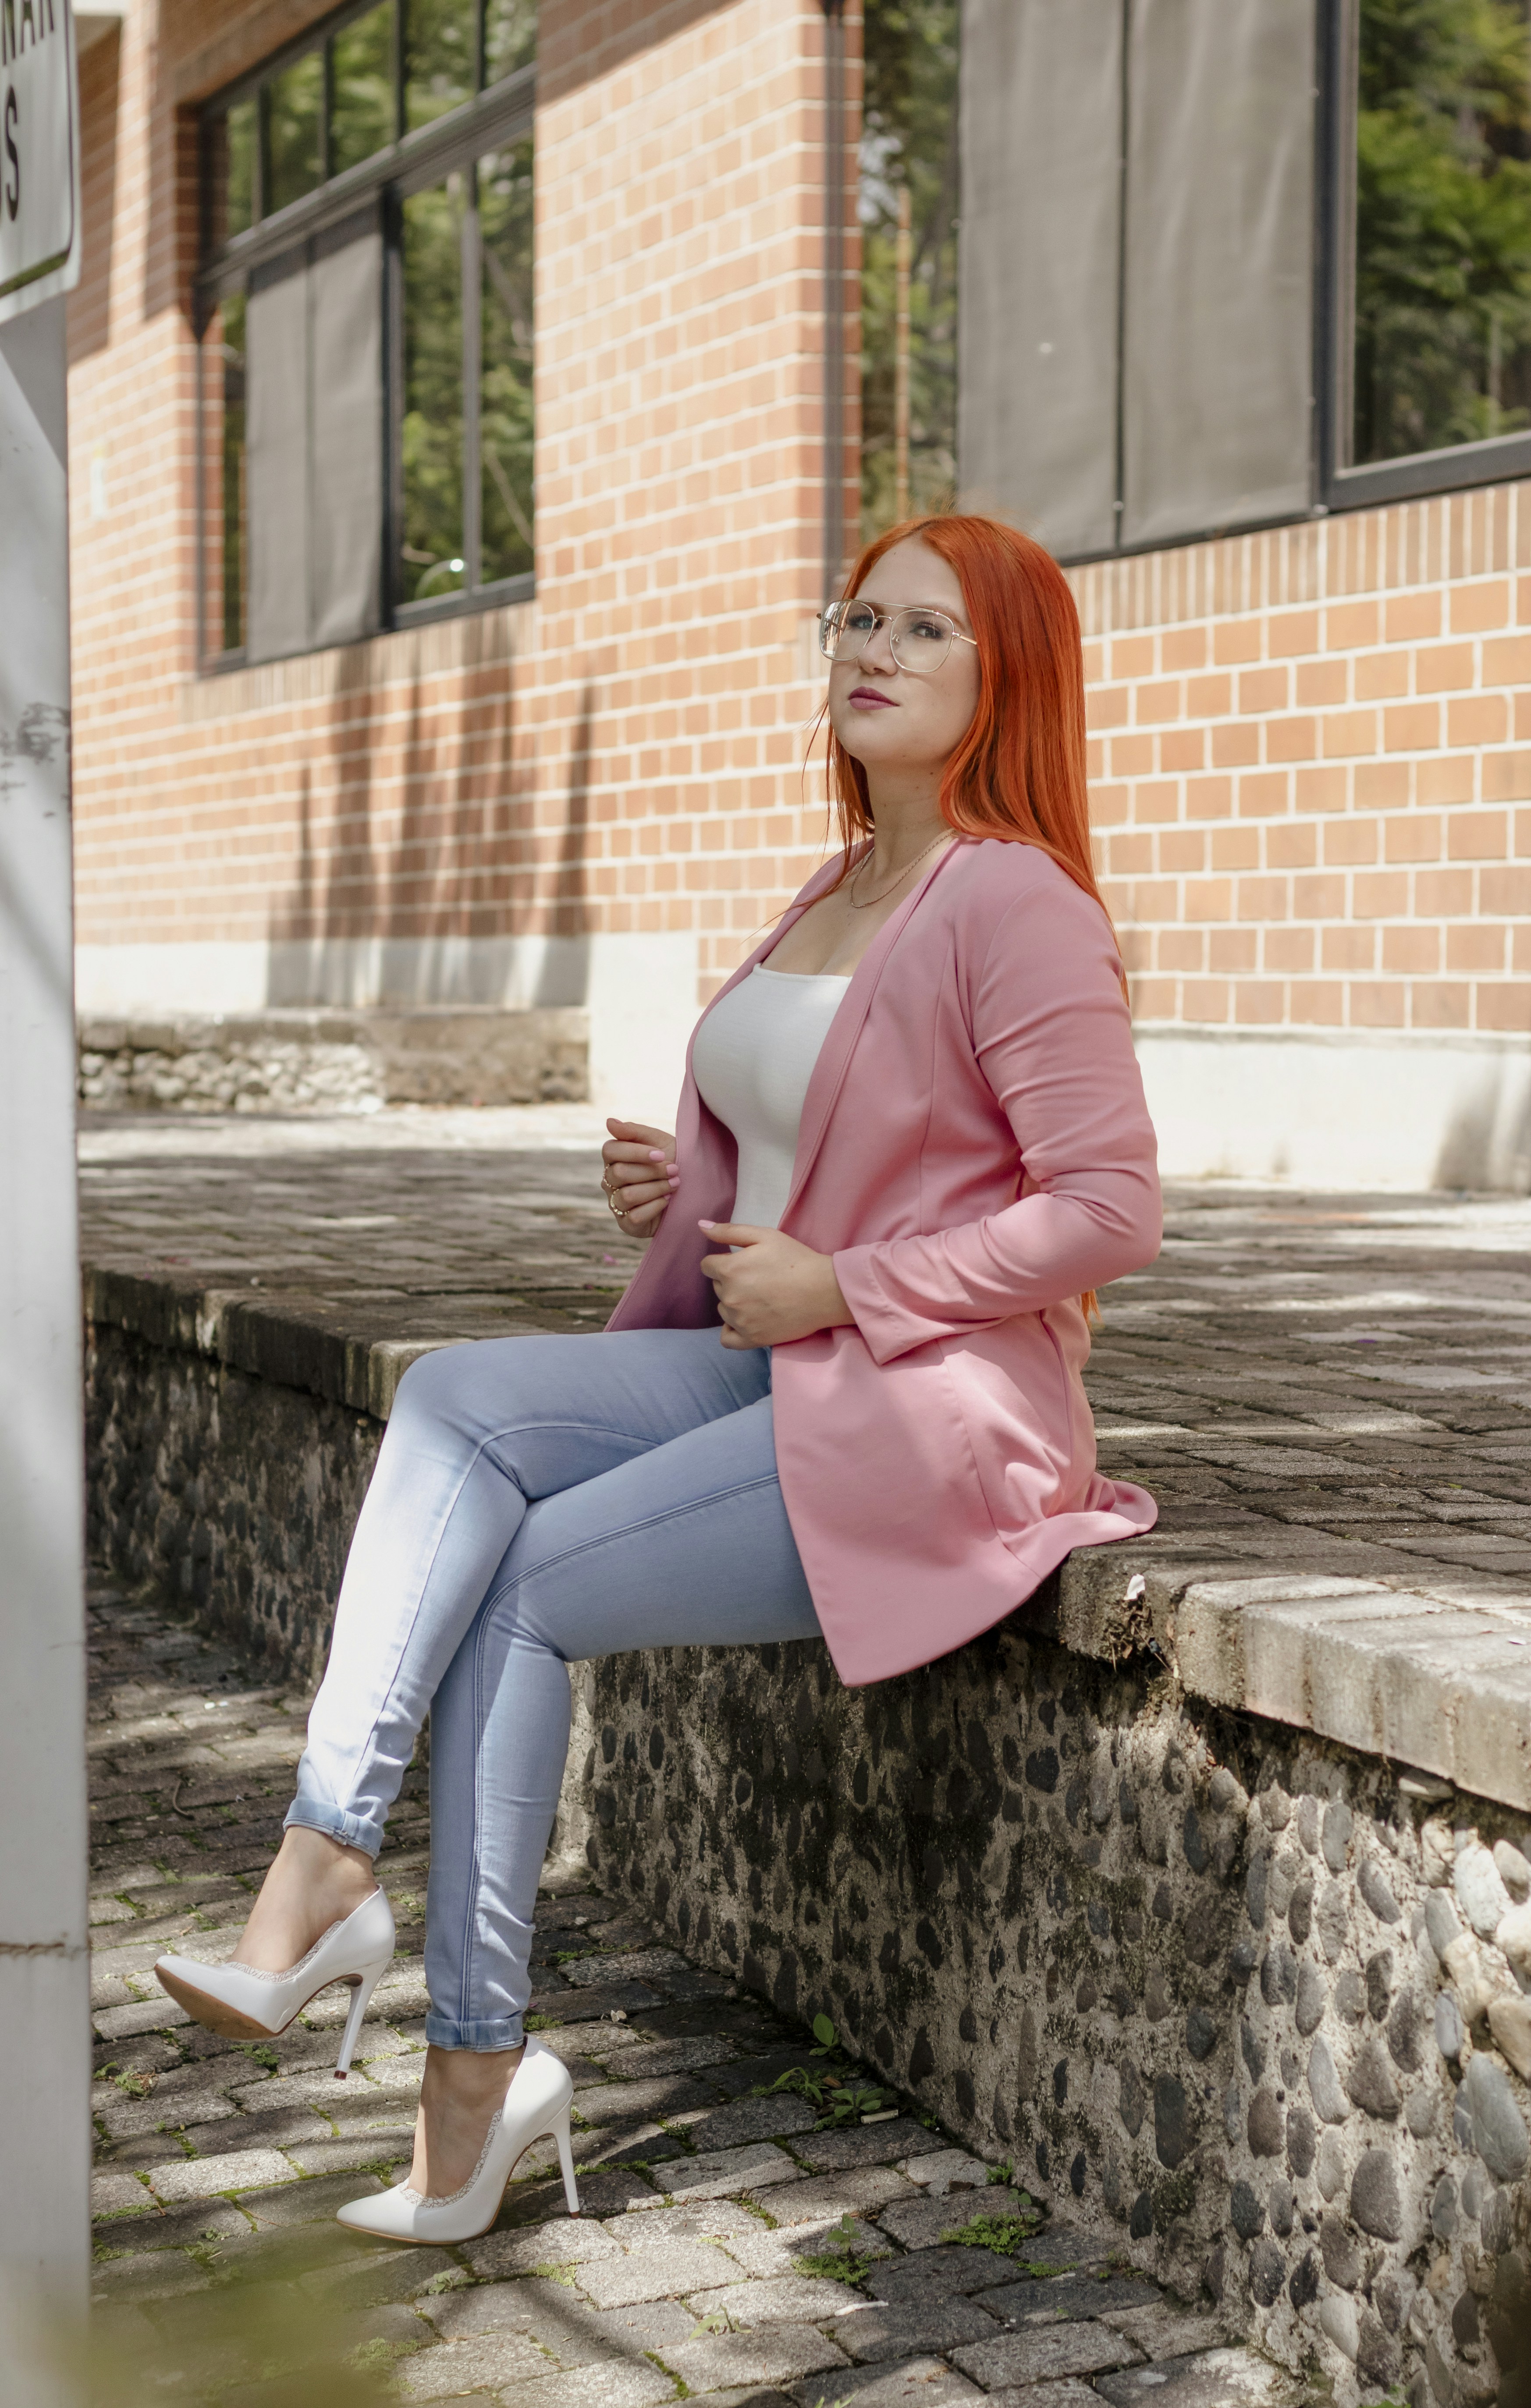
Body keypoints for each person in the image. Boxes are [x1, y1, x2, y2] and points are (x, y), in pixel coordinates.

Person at [155, 513, 1162, 2244]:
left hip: (927, 1416)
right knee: (454, 1397)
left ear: (1010, 680)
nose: (873, 648)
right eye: (861, 615)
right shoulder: (839, 885)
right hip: (776, 1370)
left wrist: (847, 1275)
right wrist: (695, 1195)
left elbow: (1105, 1207)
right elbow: (820, 1142)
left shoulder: (1015, 901)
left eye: (926, 630)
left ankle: (454, 2062)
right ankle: (333, 1871)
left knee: (519, 1589)